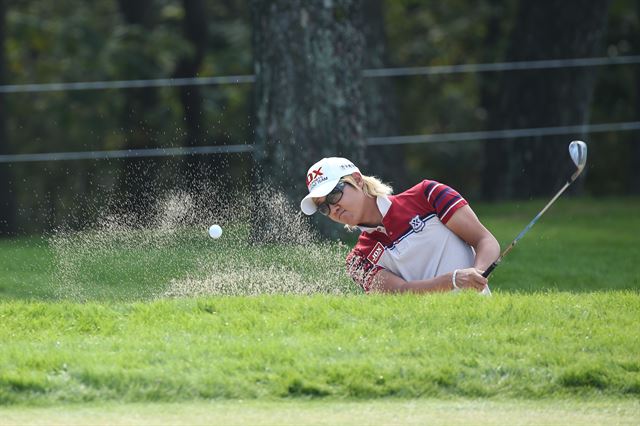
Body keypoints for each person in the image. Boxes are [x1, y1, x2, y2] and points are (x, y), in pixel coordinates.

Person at [300, 157, 500, 294]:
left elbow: (484, 240)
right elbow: (400, 292)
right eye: (324, 207)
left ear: (358, 180)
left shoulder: (428, 194)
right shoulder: (357, 261)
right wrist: (454, 280)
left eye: (334, 195)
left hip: (478, 321)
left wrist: (478, 273)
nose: (332, 209)